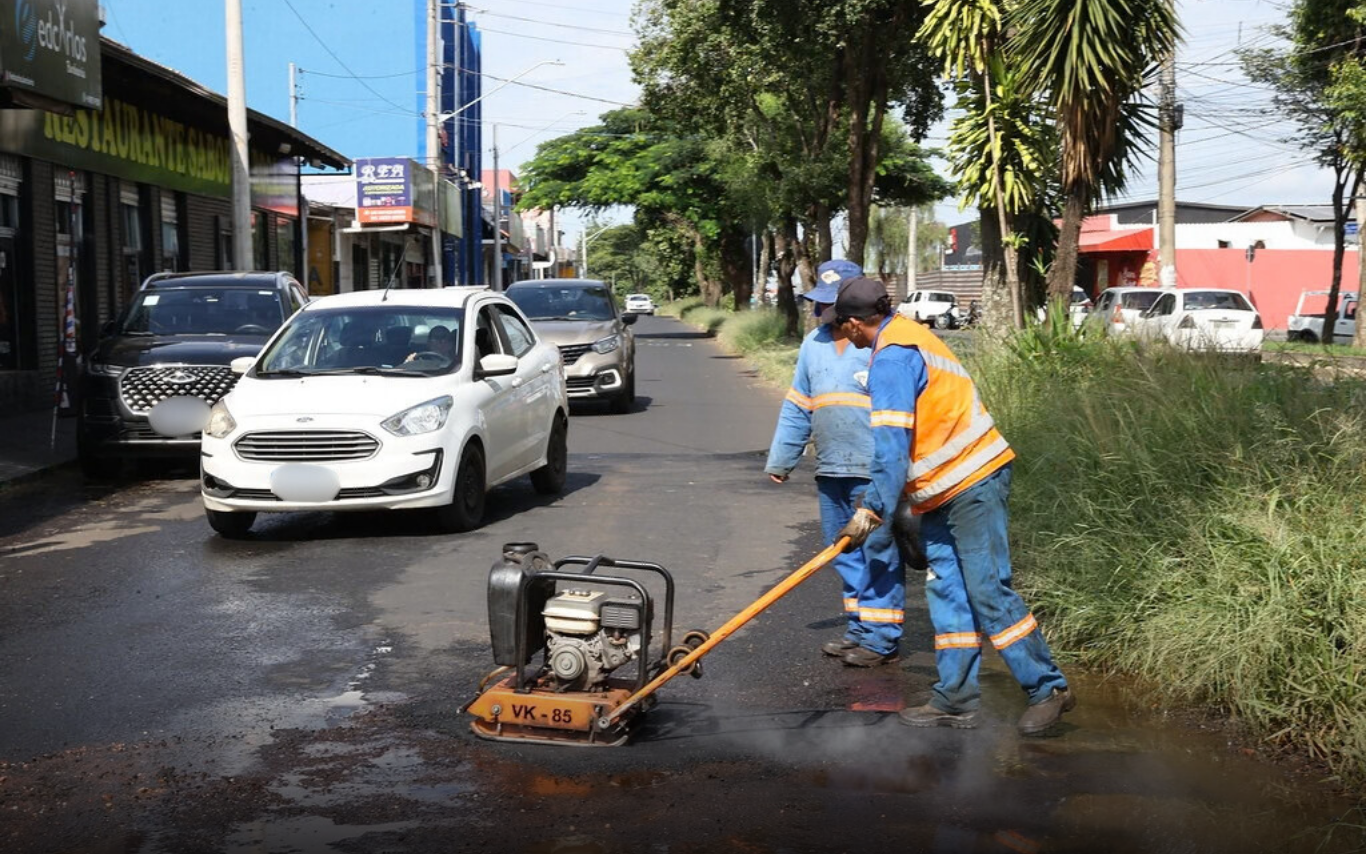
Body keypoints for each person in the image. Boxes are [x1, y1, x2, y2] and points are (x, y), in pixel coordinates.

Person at [830, 277, 1075, 735]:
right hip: (942, 489)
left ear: (853, 324)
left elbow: (891, 445)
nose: (844, 337)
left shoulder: (892, 358)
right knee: (947, 590)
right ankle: (955, 700)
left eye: (841, 328)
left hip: (973, 479)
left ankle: (1049, 688)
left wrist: (872, 509)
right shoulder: (909, 334)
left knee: (987, 589)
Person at [765, 260, 905, 667]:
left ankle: (881, 639)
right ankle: (859, 628)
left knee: (877, 550)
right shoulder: (814, 345)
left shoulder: (882, 343)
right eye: (821, 304)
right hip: (831, 467)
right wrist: (783, 457)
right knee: (842, 550)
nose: (826, 312)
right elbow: (798, 405)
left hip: (874, 468)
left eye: (834, 304)